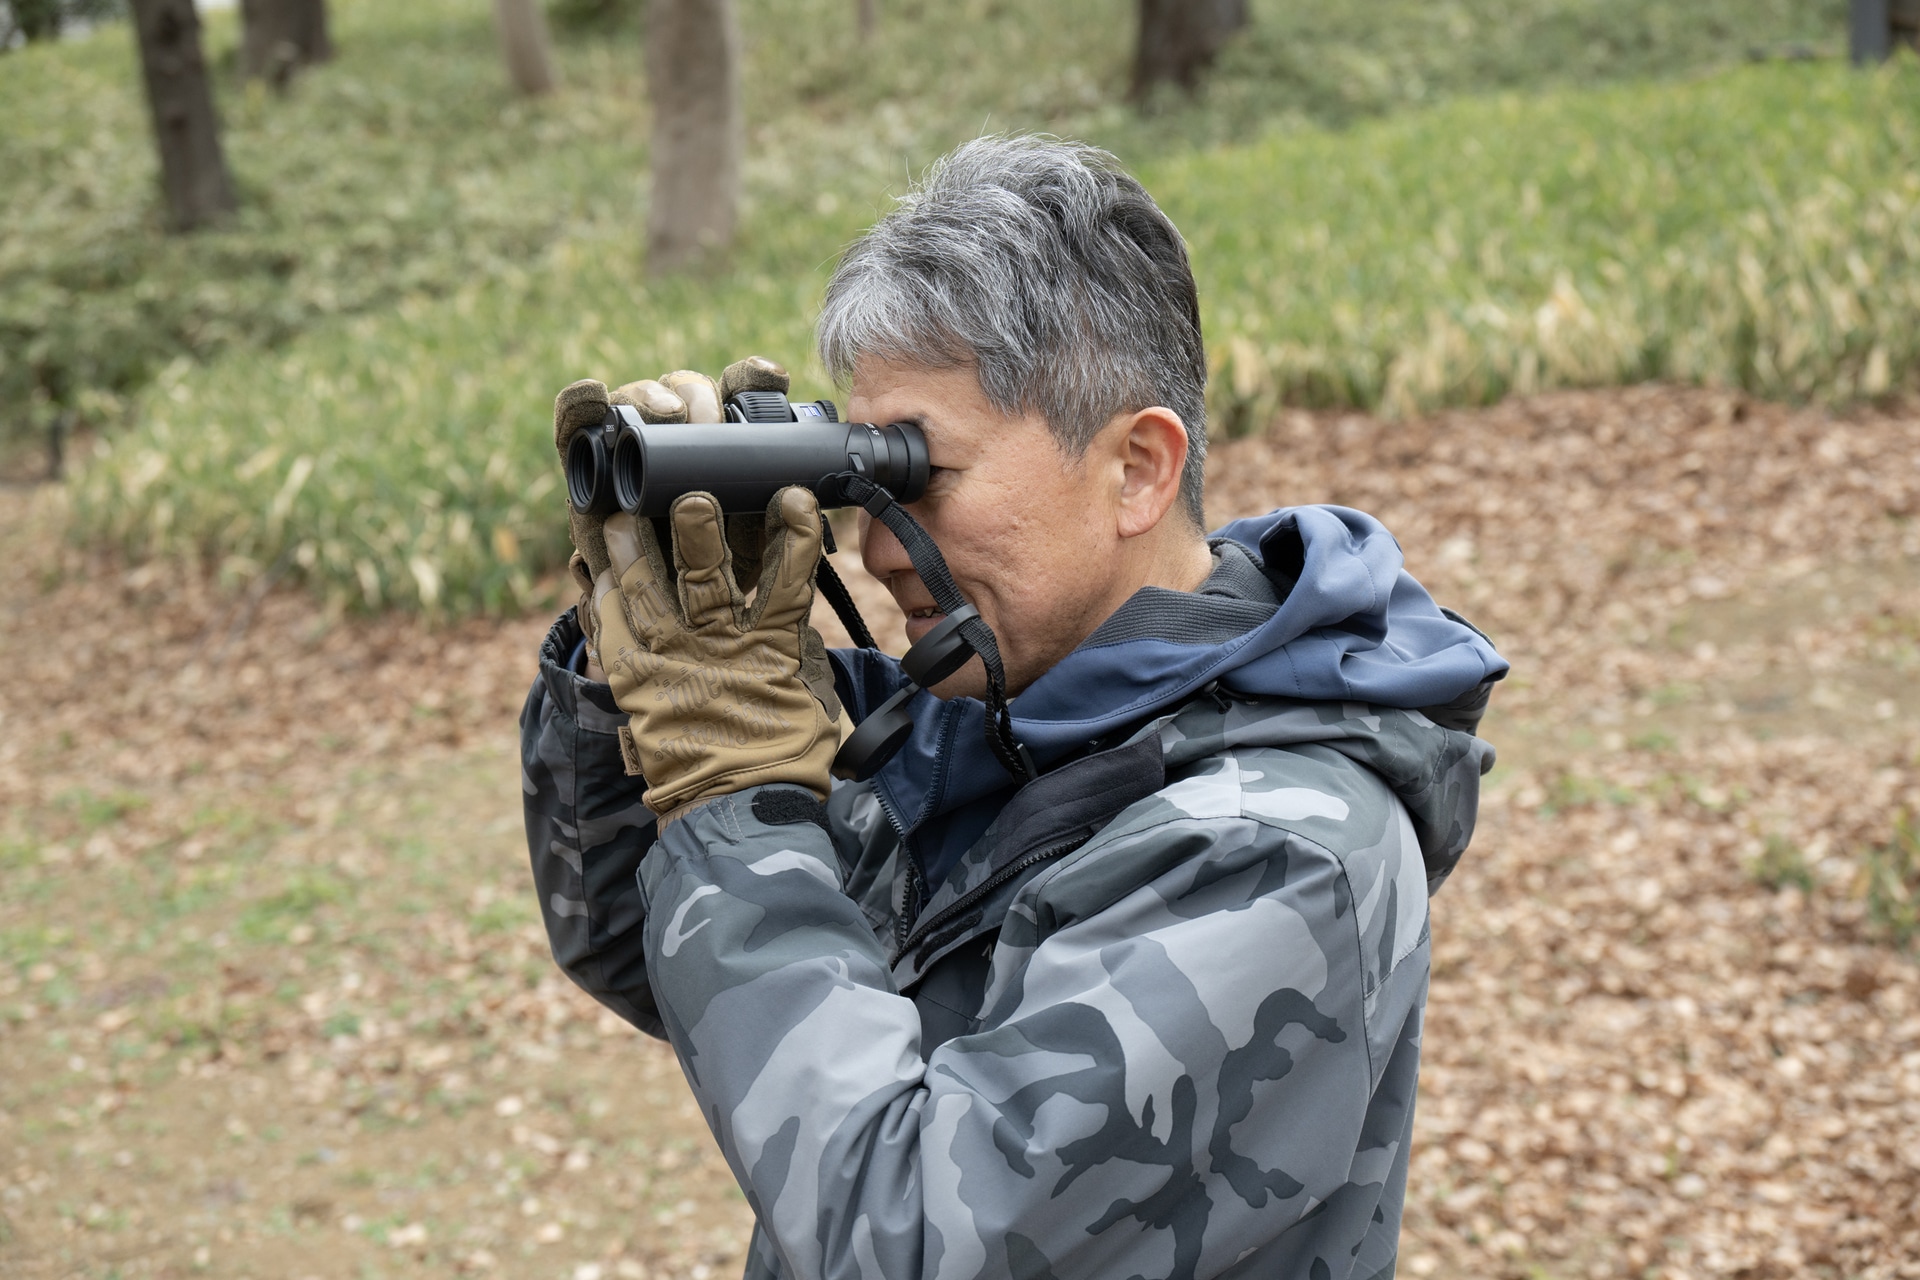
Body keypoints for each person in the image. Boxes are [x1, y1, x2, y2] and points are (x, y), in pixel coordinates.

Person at [521, 135, 1507, 1280]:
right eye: (860, 477)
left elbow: (912, 1238)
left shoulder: (1277, 849)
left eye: (920, 476)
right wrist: (631, 657)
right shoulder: (988, 716)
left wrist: (733, 789)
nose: (877, 543)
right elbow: (631, 937)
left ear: (1137, 467)